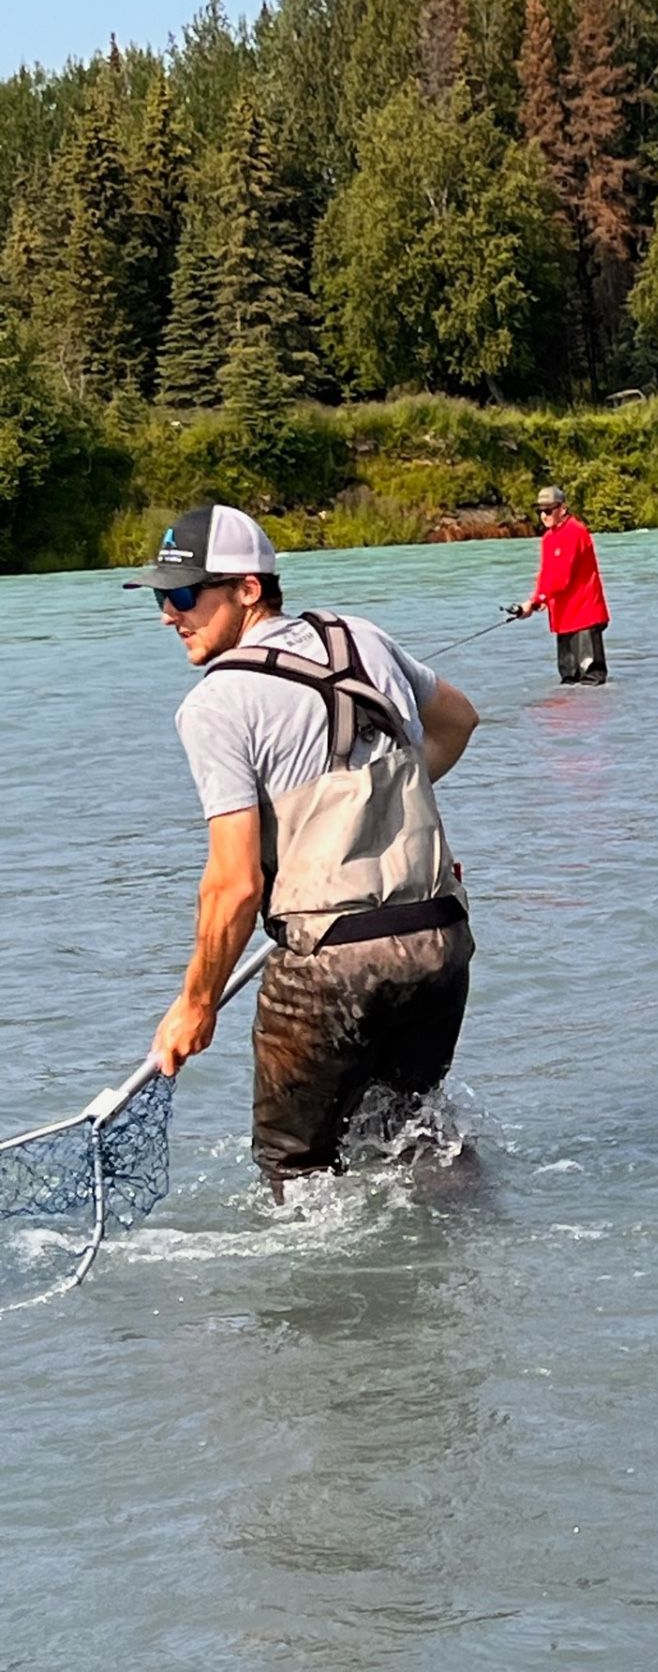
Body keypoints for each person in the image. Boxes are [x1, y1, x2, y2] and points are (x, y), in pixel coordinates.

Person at [125, 503, 479, 1196]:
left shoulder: (215, 703)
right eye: (163, 598)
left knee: (297, 1173)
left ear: (248, 589)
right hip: (438, 937)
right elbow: (459, 722)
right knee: (415, 1136)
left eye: (185, 595)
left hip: (329, 965)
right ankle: (469, 1261)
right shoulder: (362, 635)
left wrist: (195, 1005)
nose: (170, 615)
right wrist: (384, 826)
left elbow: (233, 886)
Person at [513, 485, 610, 684]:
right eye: (539, 511)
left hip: (585, 614)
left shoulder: (575, 531)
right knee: (568, 681)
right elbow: (546, 574)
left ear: (562, 509)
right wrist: (537, 600)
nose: (543, 515)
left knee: (591, 679)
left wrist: (535, 601)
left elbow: (561, 577)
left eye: (548, 510)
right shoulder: (549, 537)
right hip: (563, 616)